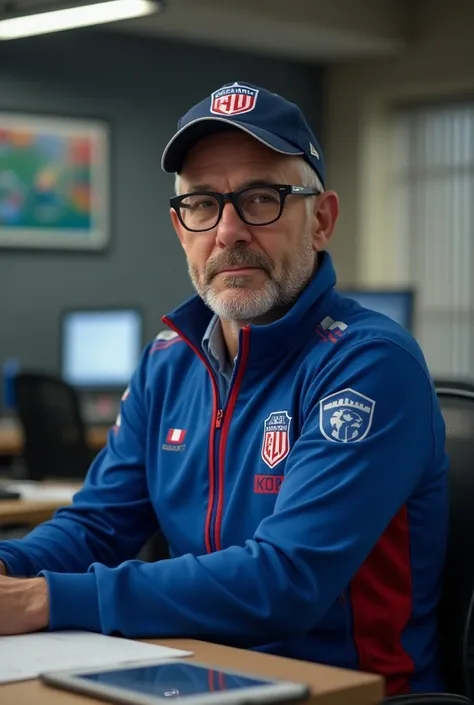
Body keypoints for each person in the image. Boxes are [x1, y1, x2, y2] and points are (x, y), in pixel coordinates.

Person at [0, 82, 448, 695]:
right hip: (190, 676)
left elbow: (285, 581)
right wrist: (9, 569)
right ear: (181, 227)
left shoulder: (369, 363)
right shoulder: (169, 361)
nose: (228, 230)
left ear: (321, 219)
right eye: (203, 204)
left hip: (344, 692)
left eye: (262, 198)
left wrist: (43, 598)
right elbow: (97, 526)